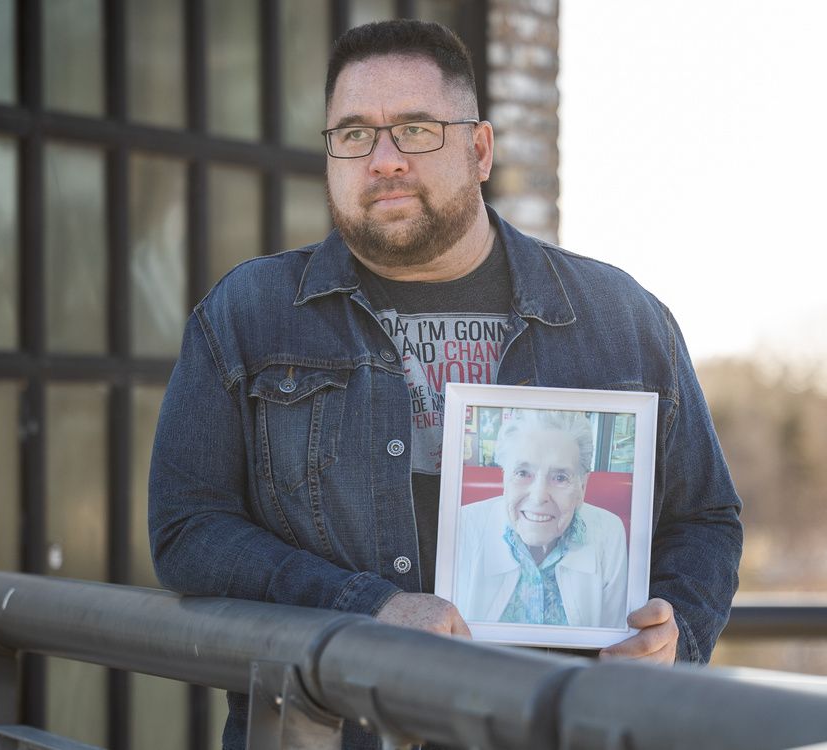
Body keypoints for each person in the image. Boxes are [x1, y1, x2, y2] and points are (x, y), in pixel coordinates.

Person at [149, 19, 742, 749]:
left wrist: (675, 630)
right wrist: (369, 608)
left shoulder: (621, 318)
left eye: (417, 130)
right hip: (327, 733)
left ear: (480, 148)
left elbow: (706, 519)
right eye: (355, 134)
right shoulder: (248, 316)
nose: (385, 159)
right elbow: (186, 530)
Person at [455, 410, 628, 628]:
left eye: (560, 477)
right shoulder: (462, 526)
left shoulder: (609, 532)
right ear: (505, 479)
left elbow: (614, 645)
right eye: (522, 473)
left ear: (582, 487)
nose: (538, 497)